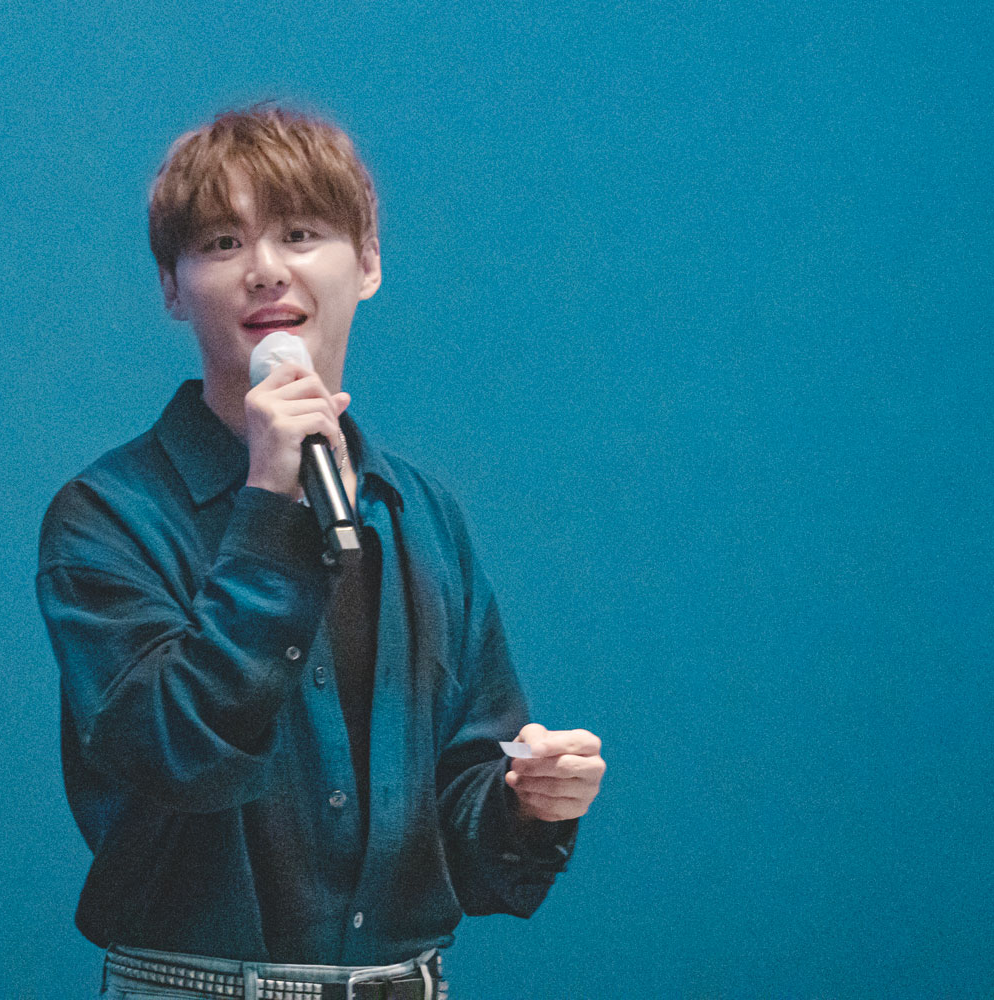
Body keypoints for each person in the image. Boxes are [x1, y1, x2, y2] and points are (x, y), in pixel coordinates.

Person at [36, 103, 605, 999]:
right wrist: (270, 505)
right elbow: (180, 754)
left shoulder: (420, 514)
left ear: (368, 263)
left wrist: (526, 803)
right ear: (172, 289)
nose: (266, 269)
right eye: (222, 243)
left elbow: (463, 824)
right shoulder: (107, 517)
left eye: (301, 233)